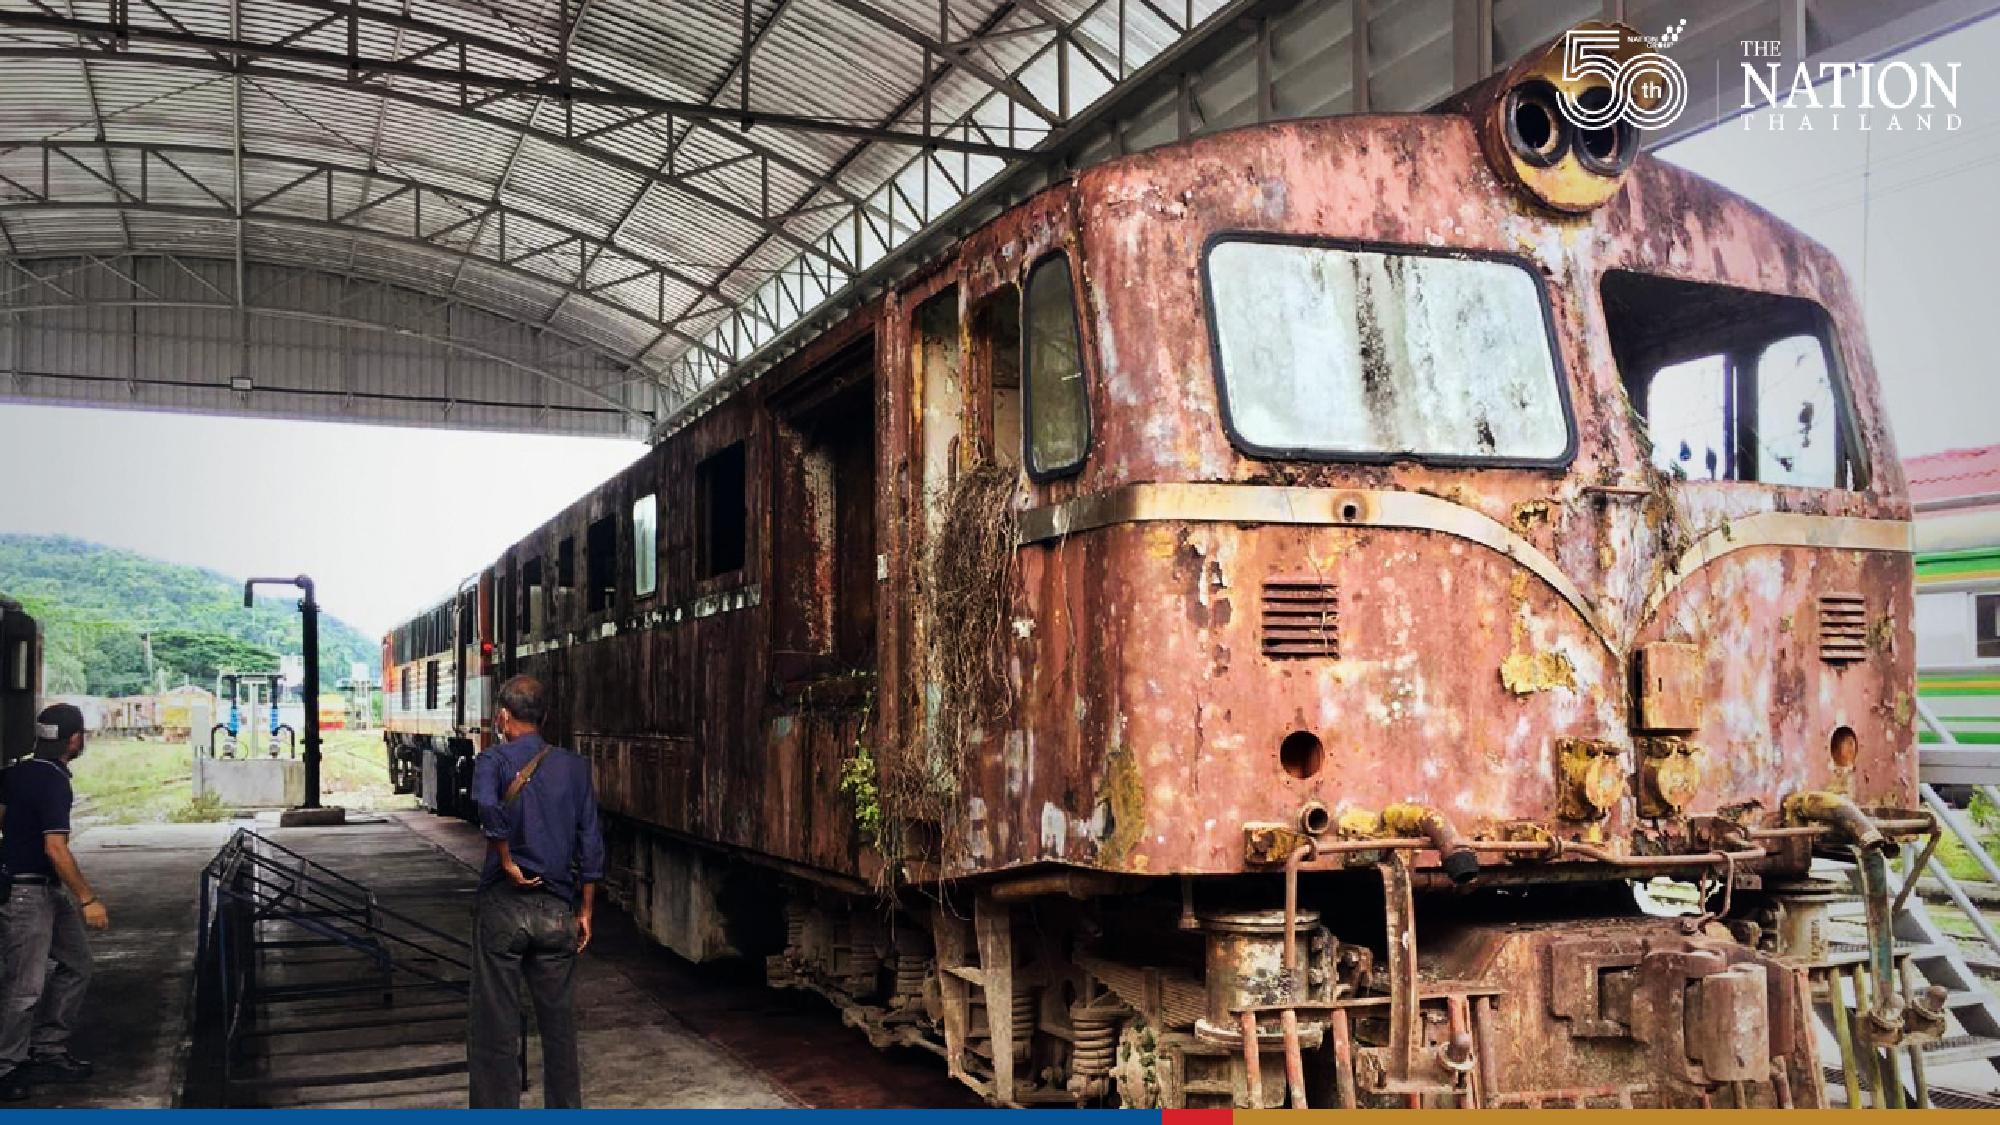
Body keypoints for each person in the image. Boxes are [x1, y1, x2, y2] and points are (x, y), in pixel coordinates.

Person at [467, 675, 604, 1110]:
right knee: (560, 1032)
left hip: (503, 909)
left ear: (503, 717)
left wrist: (506, 860)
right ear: (544, 718)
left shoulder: (492, 761)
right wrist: (585, 910)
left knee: (496, 1030)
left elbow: (487, 805)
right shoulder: (575, 768)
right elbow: (591, 842)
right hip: (556, 909)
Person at [0, 703, 110, 1102]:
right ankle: (8, 1065)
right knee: (24, 983)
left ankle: (47, 1048)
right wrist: (88, 899)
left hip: (39, 887)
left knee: (76, 963)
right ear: (74, 740)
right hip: (29, 892)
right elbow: (56, 849)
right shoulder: (53, 783)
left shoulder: (16, 774)